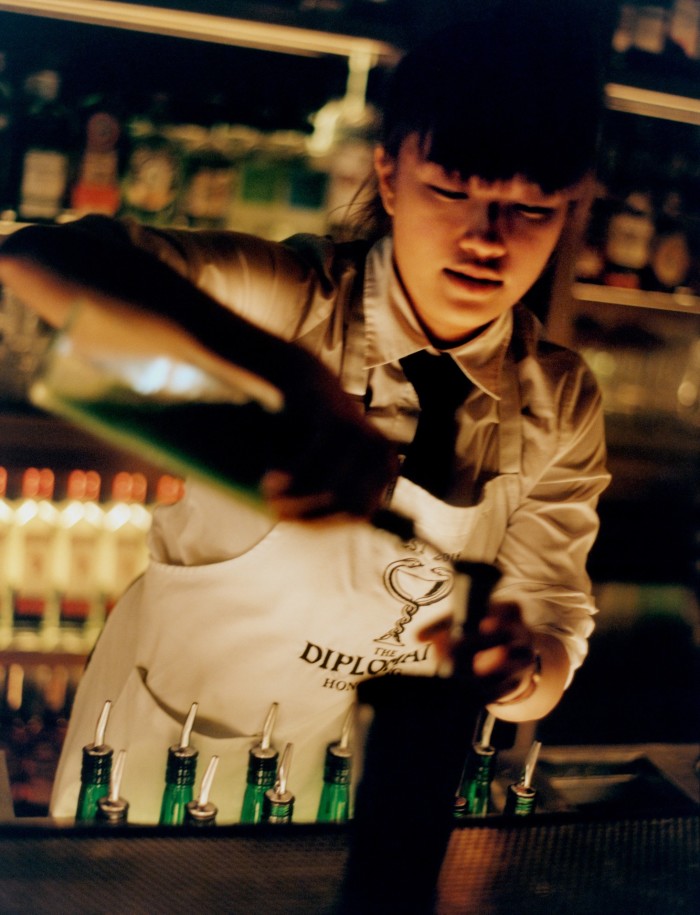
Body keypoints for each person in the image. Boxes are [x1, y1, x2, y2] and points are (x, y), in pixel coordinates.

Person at [0, 0, 610, 823]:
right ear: (388, 174)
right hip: (156, 766)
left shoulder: (559, 397)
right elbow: (39, 259)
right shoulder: (288, 300)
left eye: (532, 209)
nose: (487, 239)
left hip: (348, 786)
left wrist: (519, 671)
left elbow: (553, 622)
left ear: (573, 206)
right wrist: (287, 373)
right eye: (451, 191)